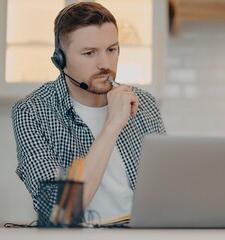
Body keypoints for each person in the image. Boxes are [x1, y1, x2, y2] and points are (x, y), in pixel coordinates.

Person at [11, 2, 165, 226]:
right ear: (60, 60)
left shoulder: (145, 104)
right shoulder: (33, 112)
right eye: (90, 53)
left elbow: (166, 193)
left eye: (111, 50)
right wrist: (112, 125)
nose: (105, 64)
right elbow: (60, 211)